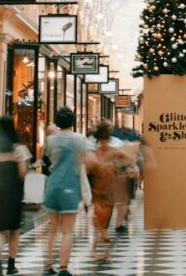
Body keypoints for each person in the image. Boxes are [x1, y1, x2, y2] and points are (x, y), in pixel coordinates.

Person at [42, 107, 90, 276]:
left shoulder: (50, 140)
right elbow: (85, 160)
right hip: (70, 186)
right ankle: (63, 269)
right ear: (72, 122)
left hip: (52, 186)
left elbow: (47, 159)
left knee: (52, 230)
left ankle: (47, 266)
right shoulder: (79, 139)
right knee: (67, 231)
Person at [85, 121, 137, 262]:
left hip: (102, 191)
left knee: (101, 221)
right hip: (102, 191)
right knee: (101, 221)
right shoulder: (109, 152)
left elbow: (129, 160)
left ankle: (99, 250)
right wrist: (128, 170)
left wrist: (127, 170)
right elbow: (129, 159)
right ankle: (102, 250)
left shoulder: (96, 153)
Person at [0, 116, 30, 276]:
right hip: (14, 194)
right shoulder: (19, 149)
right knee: (14, 230)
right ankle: (11, 265)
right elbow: (22, 172)